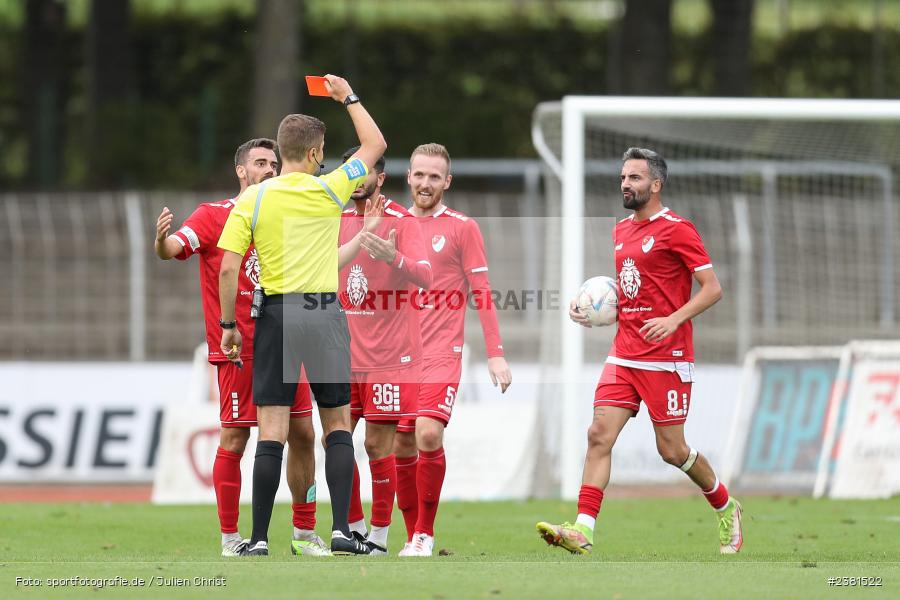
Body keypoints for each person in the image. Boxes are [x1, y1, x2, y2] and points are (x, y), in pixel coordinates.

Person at [536, 147, 743, 555]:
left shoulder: (677, 228)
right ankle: (583, 529)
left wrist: (674, 319)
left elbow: (713, 288)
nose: (625, 184)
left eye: (634, 178)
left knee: (672, 450)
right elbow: (635, 293)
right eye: (623, 178)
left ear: (655, 184)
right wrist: (599, 313)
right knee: (598, 435)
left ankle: (725, 505)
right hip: (624, 354)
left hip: (667, 358)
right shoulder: (621, 231)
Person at [217, 75, 387, 556]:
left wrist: (230, 326)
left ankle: (256, 540)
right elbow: (376, 143)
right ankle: (340, 531)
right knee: (336, 423)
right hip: (324, 310)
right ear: (315, 154)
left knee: (271, 429)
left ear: (283, 151)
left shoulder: (254, 197)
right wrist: (348, 96)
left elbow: (229, 266)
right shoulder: (331, 188)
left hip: (276, 313)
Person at [154, 138, 329, 557]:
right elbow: (173, 249)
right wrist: (160, 241)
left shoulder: (288, 213)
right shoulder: (215, 215)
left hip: (288, 340)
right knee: (235, 438)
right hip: (239, 348)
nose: (270, 169)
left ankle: (304, 533)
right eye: (261, 163)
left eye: (273, 163)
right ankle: (231, 539)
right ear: (241, 171)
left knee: (304, 433)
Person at [393, 143, 512, 557]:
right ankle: (410, 536)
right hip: (395, 356)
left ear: (447, 181)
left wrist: (495, 352)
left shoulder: (463, 228)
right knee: (400, 445)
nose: (425, 184)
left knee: (428, 431)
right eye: (419, 175)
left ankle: (425, 533)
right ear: (408, 177)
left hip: (442, 350)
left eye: (434, 177)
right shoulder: (390, 224)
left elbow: (482, 291)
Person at [336, 146, 432, 555]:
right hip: (342, 354)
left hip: (390, 357)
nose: (357, 179)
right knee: (336, 440)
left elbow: (427, 275)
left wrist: (394, 256)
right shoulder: (335, 218)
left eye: (364, 172)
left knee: (377, 445)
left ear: (381, 177)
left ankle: (379, 536)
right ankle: (353, 527)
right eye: (350, 171)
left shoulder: (402, 220)